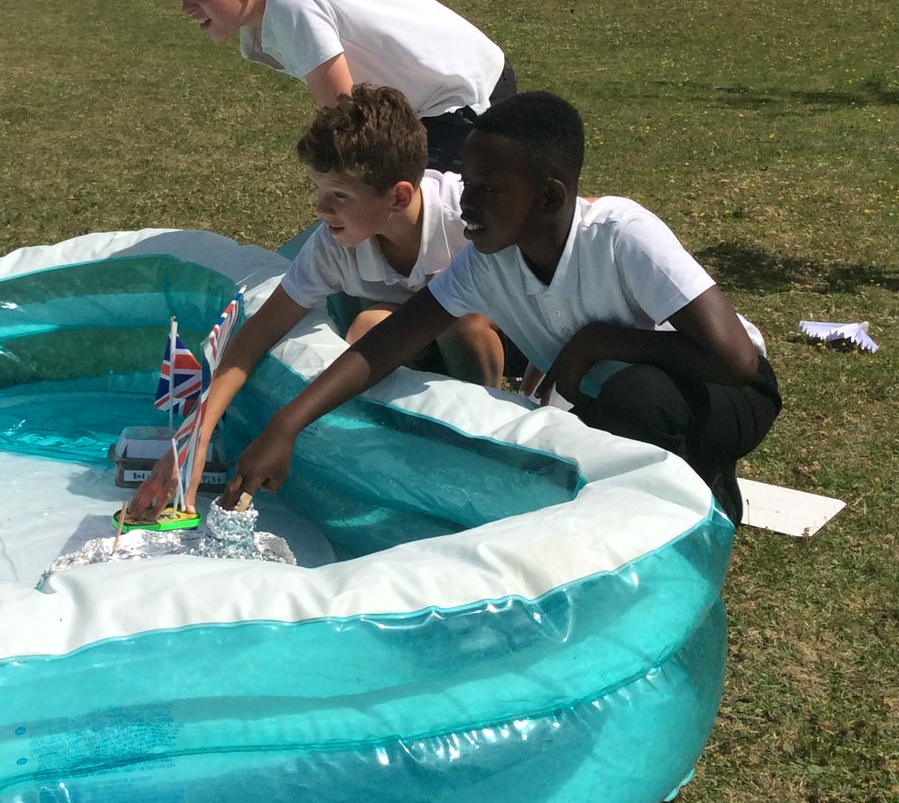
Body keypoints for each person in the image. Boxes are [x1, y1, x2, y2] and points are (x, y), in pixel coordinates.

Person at [222, 92, 781, 526]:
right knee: (586, 439)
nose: (466, 202)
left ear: (549, 197)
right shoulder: (487, 261)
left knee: (637, 399)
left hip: (724, 390)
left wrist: (598, 342)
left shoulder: (621, 235)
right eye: (466, 183)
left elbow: (736, 361)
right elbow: (386, 346)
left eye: (488, 189)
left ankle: (688, 499)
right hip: (606, 396)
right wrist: (286, 425)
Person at [127, 84, 506, 520]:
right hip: (413, 341)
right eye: (319, 190)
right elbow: (261, 330)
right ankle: (414, 445)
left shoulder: (464, 216)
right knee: (366, 329)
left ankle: (487, 443)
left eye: (339, 195)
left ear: (399, 196)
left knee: (463, 321)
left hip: (492, 335)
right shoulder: (332, 245)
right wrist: (195, 436)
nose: (322, 210)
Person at [161, 0, 516, 172]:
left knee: (422, 215)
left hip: (462, 90)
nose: (185, 6)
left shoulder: (289, 4)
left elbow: (347, 117)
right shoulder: (265, 20)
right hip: (448, 91)